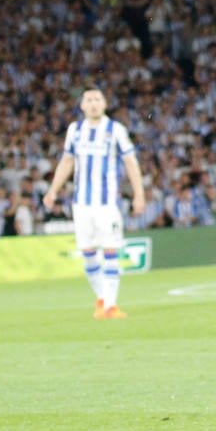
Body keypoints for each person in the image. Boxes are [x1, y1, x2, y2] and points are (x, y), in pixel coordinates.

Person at [42, 88, 146, 319]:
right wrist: (53, 190)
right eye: (88, 100)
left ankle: (111, 305)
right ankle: (102, 298)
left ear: (105, 104)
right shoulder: (75, 130)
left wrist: (139, 194)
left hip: (107, 203)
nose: (93, 104)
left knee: (110, 250)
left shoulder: (115, 130)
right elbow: (67, 160)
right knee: (88, 253)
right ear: (82, 106)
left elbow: (130, 161)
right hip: (81, 204)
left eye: (97, 99)